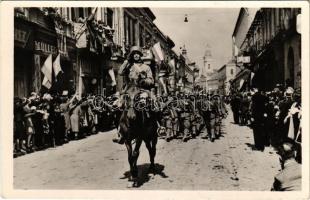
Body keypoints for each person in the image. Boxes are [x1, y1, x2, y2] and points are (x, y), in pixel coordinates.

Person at [112, 46, 154, 144]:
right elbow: (120, 72)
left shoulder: (146, 67)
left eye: (138, 54)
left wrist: (144, 79)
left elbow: (151, 81)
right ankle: (120, 131)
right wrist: (126, 61)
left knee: (152, 104)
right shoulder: (128, 65)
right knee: (117, 106)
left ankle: (156, 127)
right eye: (134, 54)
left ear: (140, 55)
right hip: (129, 90)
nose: (136, 55)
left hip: (142, 90)